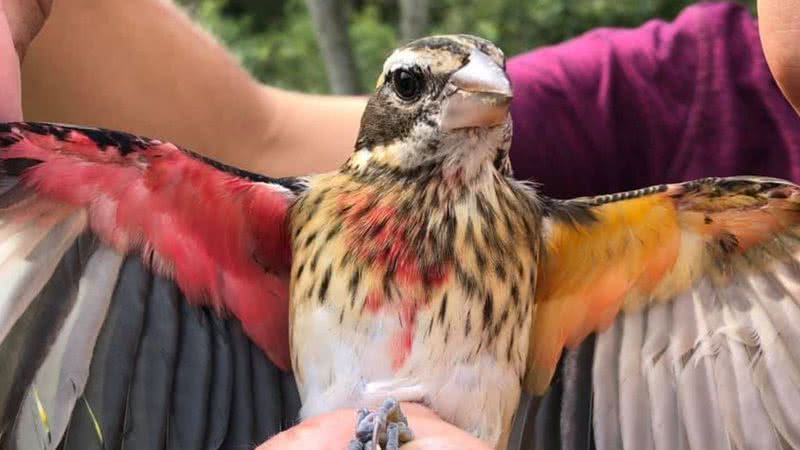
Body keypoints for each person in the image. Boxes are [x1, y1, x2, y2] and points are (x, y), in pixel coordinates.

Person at [1, 0, 799, 449]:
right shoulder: (290, 220)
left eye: (487, 82)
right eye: (419, 85)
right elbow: (255, 136)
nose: (475, 91)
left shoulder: (599, 239)